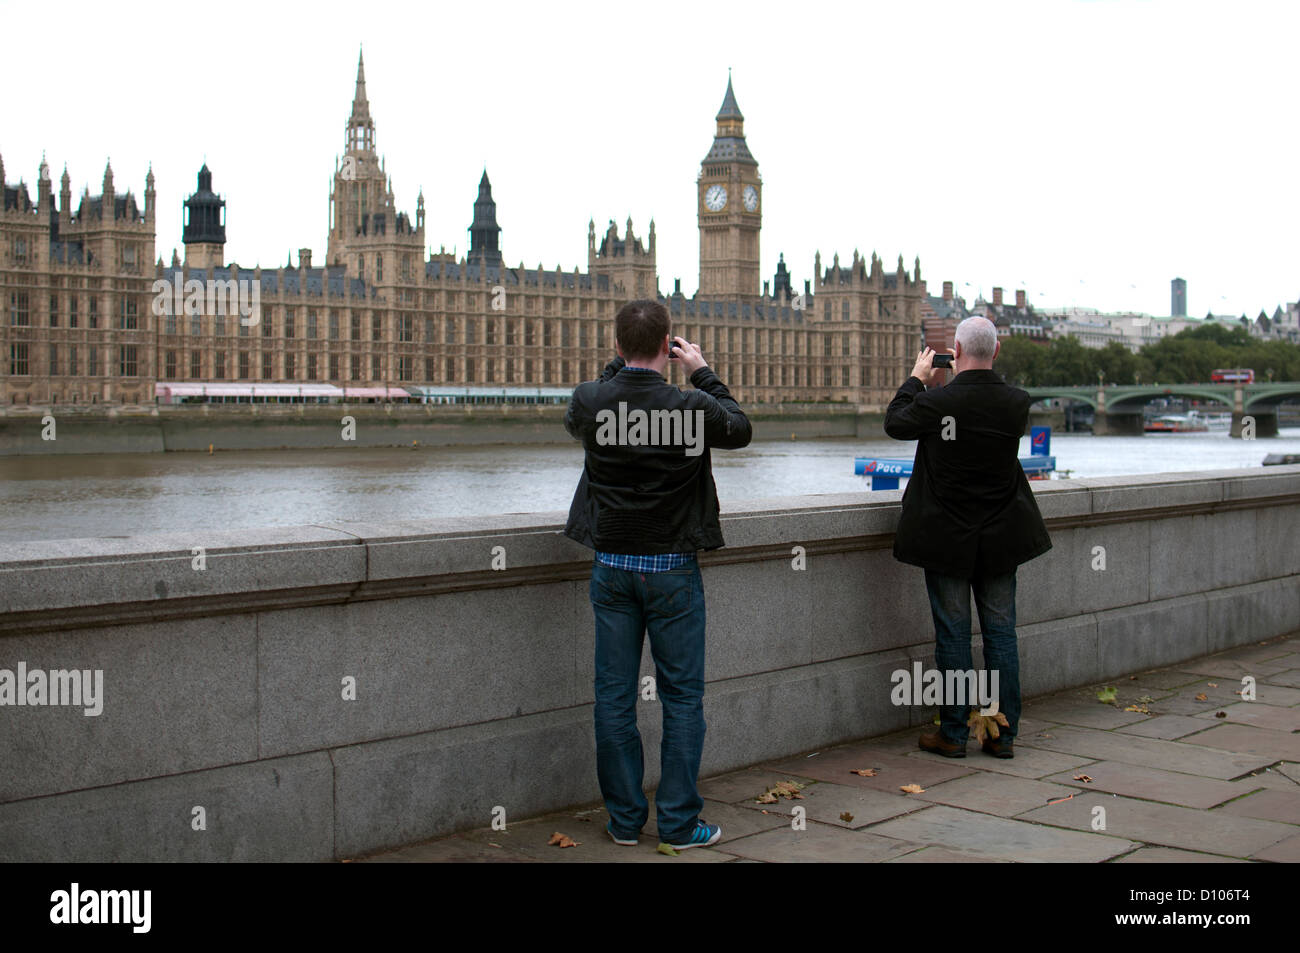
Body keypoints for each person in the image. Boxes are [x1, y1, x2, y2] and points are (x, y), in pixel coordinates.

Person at [563, 298, 752, 848]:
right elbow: (739, 427)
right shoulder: (691, 406)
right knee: (682, 700)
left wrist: (617, 369)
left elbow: (586, 412)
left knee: (614, 697)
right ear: (668, 347)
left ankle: (624, 822)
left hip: (613, 569)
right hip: (672, 569)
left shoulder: (591, 400)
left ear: (617, 346)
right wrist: (701, 371)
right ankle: (677, 823)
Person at [883, 316, 1051, 759]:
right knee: (1001, 635)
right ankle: (1001, 734)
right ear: (996, 352)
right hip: (999, 538)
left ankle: (954, 734)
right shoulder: (1016, 402)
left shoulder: (937, 403)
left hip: (947, 540)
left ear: (954, 351)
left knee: (953, 637)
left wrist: (918, 380)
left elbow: (895, 423)